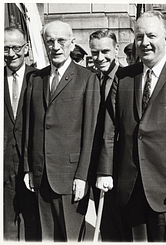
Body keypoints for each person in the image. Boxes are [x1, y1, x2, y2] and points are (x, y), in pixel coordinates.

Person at [96, 10, 166, 242]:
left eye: (151, 36)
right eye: (139, 37)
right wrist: (104, 171)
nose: (144, 43)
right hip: (129, 188)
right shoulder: (124, 77)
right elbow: (110, 128)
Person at [23, 21, 100, 242]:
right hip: (40, 174)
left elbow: (90, 132)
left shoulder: (87, 79)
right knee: (46, 238)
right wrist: (29, 167)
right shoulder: (35, 79)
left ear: (72, 44)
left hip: (70, 177)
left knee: (71, 237)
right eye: (50, 41)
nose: (56, 47)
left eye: (61, 41)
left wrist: (82, 176)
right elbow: (31, 126)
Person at [4, 27, 41, 241]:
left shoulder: (39, 78)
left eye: (16, 48)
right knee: (7, 227)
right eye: (6, 48)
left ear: (26, 48)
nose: (11, 54)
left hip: (31, 167)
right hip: (4, 168)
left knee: (33, 228)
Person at [87, 29, 124, 241]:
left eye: (105, 51)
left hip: (119, 165)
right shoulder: (90, 79)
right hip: (94, 163)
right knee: (105, 226)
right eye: (94, 52)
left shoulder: (129, 78)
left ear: (116, 49)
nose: (100, 58)